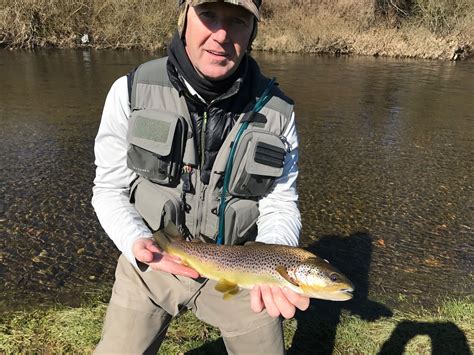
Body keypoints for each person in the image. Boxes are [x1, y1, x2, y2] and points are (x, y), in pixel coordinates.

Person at [92, 0, 309, 353]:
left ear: (253, 31)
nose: (221, 35)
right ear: (184, 20)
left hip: (242, 268)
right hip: (155, 257)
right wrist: (135, 241)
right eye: (208, 15)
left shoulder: (279, 113)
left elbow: (280, 204)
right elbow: (108, 190)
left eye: (238, 21)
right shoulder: (129, 91)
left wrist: (276, 263)